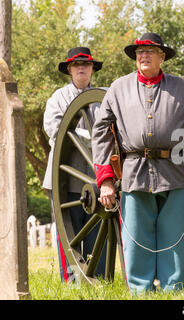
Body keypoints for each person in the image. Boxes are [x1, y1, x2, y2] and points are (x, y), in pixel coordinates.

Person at [91, 32, 184, 294]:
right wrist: (106, 177)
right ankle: (140, 290)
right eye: (139, 52)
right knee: (136, 238)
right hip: (134, 172)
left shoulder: (181, 87)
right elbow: (100, 133)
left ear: (162, 57)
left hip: (174, 172)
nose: (143, 56)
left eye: (150, 51)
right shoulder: (118, 88)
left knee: (173, 236)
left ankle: (172, 287)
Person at [43, 47, 106, 283]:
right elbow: (55, 131)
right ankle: (71, 282)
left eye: (86, 64)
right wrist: (90, 135)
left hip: (96, 178)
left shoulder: (103, 98)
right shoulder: (57, 98)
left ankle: (99, 280)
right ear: (69, 69)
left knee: (98, 233)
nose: (81, 67)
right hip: (65, 179)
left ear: (92, 69)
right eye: (76, 64)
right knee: (69, 234)